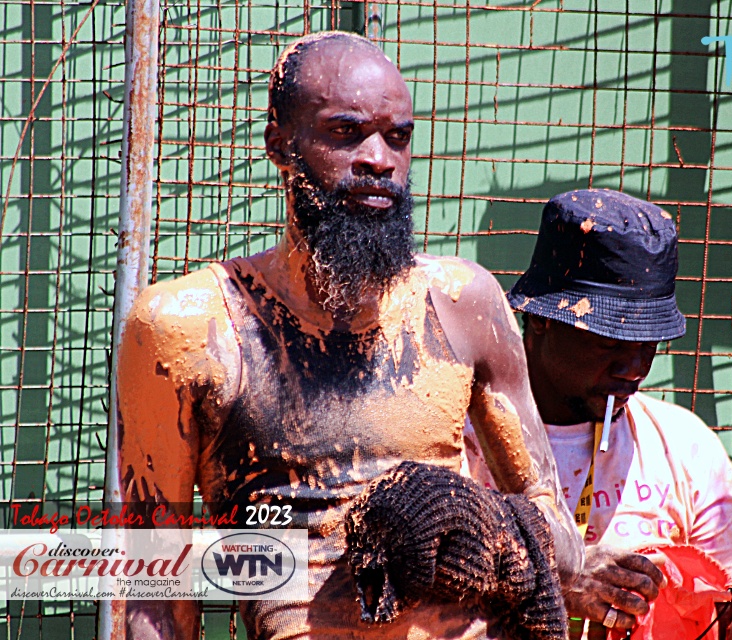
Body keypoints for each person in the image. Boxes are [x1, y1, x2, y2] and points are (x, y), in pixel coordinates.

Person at [116, 33, 662, 640]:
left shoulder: (463, 304)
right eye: (345, 133)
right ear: (280, 144)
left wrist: (481, 523)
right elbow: (151, 590)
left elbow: (551, 527)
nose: (378, 158)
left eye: (397, 137)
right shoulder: (190, 326)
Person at [463, 188, 732, 640]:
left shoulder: (683, 446)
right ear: (543, 318)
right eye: (612, 341)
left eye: (649, 343)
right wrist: (560, 577)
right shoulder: (455, 440)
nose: (635, 367)